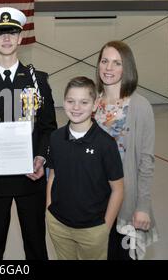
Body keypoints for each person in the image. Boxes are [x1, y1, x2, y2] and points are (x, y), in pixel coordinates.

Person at [0, 7, 57, 260]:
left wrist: (41, 157)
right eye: (0, 34)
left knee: (35, 242)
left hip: (31, 174)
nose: (6, 38)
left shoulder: (37, 81)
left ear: (20, 38)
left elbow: (48, 126)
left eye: (12, 33)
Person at [46, 76, 124, 260]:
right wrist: (49, 209)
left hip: (93, 229)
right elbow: (53, 176)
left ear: (95, 104)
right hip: (59, 224)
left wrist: (105, 227)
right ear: (63, 102)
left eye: (83, 102)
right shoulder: (56, 138)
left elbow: (118, 189)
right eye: (70, 101)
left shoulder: (106, 144)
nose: (76, 107)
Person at [94, 40, 159, 260]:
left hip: (126, 203)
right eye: (104, 61)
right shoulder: (91, 104)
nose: (108, 68)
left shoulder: (140, 106)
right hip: (94, 201)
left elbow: (146, 162)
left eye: (116, 63)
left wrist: (143, 206)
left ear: (127, 68)